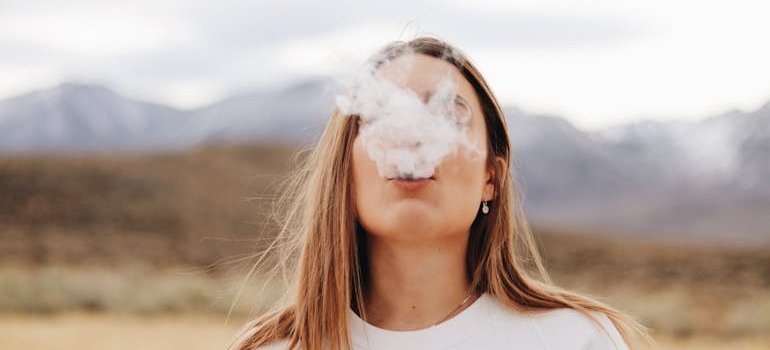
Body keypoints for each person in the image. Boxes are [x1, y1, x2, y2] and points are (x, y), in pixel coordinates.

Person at [229, 36, 651, 350]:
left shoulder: (574, 340)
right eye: (382, 113)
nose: (411, 134)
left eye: (447, 113)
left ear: (491, 176)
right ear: (343, 172)